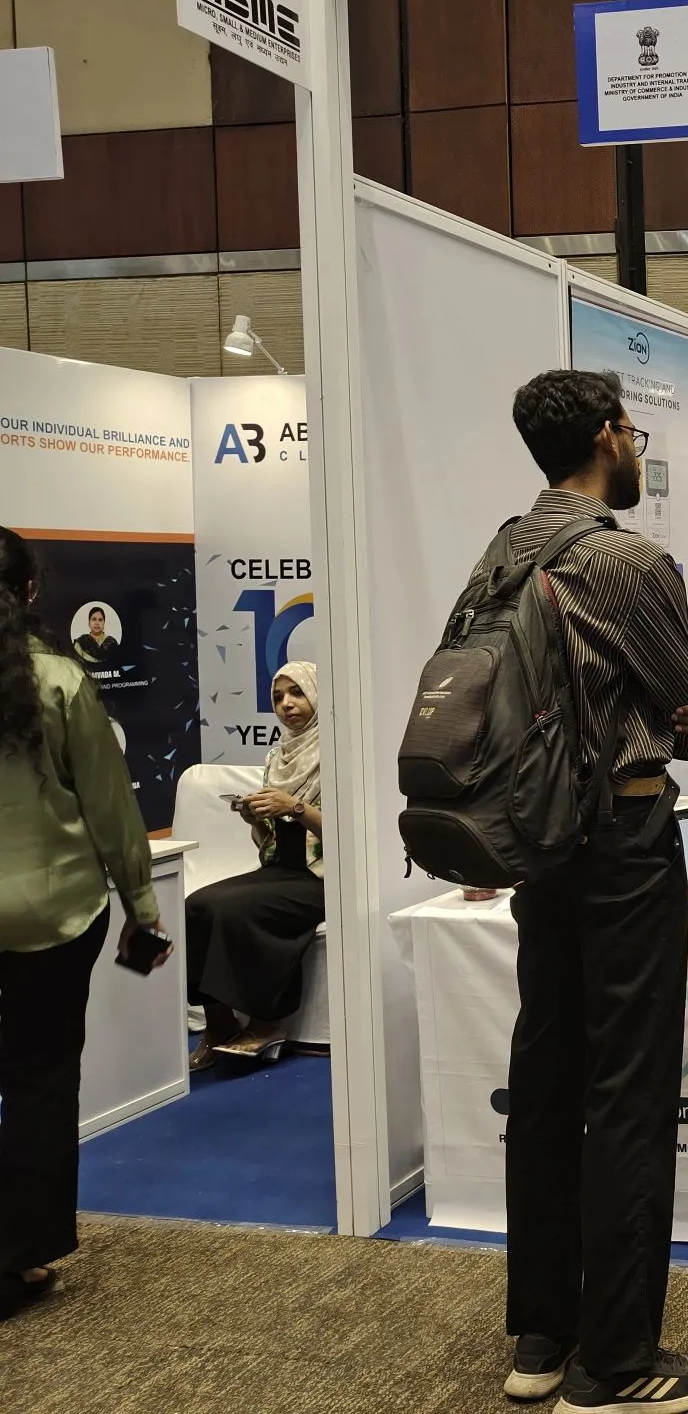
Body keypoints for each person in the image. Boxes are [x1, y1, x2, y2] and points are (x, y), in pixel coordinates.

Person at [495, 369, 688, 1413]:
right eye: (633, 432)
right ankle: (619, 1362)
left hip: (537, 845)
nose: (638, 448)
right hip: (623, 838)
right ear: (607, 435)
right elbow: (686, 709)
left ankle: (542, 1337)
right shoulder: (627, 559)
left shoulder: (504, 549)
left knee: (545, 1082)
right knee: (629, 1092)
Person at [0, 527, 168, 1322]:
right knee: (38, 1080)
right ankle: (20, 1255)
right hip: (56, 913)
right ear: (30, 591)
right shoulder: (60, 680)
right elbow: (110, 810)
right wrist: (143, 910)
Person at [184, 663, 327, 1068]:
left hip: (323, 876)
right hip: (280, 868)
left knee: (238, 909)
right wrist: (255, 819)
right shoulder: (278, 756)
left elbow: (354, 834)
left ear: (318, 696)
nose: (287, 704)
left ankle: (267, 1023)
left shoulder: (340, 753)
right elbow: (268, 842)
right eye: (278, 697)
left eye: (297, 693)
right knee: (198, 904)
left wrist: (295, 807)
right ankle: (219, 1025)